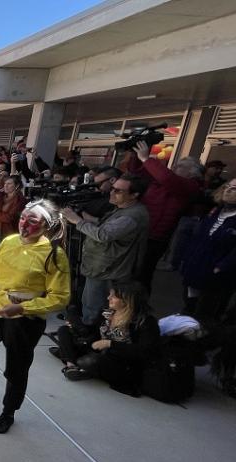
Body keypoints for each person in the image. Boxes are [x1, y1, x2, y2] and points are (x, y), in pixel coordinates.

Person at [0, 199, 70, 434]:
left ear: (46, 226)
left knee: (16, 368)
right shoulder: (9, 241)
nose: (24, 224)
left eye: (32, 221)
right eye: (23, 217)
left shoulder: (54, 254)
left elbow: (60, 297)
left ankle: (8, 411)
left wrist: (23, 308)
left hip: (24, 321)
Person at [62, 173, 149, 328]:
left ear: (135, 195)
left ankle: (88, 341)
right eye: (113, 189)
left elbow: (103, 234)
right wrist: (83, 215)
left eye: (118, 191)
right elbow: (104, 226)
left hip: (109, 270)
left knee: (94, 308)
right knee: (88, 303)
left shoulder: (133, 215)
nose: (112, 192)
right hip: (101, 266)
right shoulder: (122, 209)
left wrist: (77, 220)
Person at [55, 281, 159, 395]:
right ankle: (71, 365)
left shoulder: (145, 322)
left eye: (113, 296)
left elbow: (144, 352)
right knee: (64, 330)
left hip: (120, 362)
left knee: (90, 361)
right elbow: (94, 332)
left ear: (127, 300)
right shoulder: (107, 312)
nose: (109, 298)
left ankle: (73, 359)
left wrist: (110, 344)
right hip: (98, 350)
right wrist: (76, 326)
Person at [126, 141, 203, 291]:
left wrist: (146, 159)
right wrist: (136, 154)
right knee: (129, 271)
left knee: (141, 275)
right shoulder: (167, 180)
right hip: (140, 230)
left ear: (192, 172)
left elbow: (167, 179)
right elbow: (136, 171)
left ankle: (138, 308)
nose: (175, 167)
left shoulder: (191, 185)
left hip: (154, 237)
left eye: (181, 166)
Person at [180, 176, 236, 322]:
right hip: (196, 271)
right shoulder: (214, 211)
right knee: (188, 309)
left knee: (205, 316)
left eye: (235, 188)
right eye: (227, 186)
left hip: (217, 279)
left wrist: (221, 267)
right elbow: (198, 239)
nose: (228, 190)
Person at [0, 175, 27, 243]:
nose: (5, 186)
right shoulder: (0, 195)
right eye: (5, 183)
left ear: (17, 185)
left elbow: (9, 218)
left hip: (7, 233)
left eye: (9, 183)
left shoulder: (20, 200)